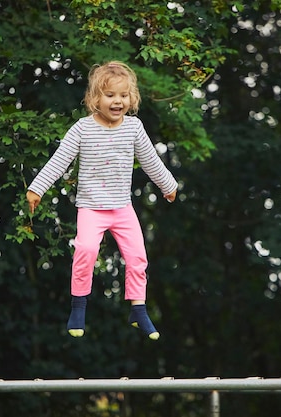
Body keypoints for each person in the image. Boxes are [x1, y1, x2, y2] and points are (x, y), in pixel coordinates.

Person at [26, 61, 177, 340]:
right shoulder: (82, 129)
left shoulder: (133, 128)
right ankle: (78, 307)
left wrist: (168, 185)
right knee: (85, 251)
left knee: (137, 256)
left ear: (131, 99)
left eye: (123, 95)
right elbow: (59, 161)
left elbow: (151, 161)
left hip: (122, 207)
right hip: (91, 208)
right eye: (110, 95)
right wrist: (37, 189)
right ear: (95, 99)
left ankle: (138, 309)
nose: (117, 101)